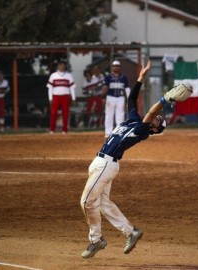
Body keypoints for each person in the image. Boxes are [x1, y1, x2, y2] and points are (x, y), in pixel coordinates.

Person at [80, 61, 167, 259]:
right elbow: (132, 99)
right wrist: (141, 77)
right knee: (102, 204)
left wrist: (164, 99)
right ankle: (131, 232)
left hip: (107, 164)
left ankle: (96, 240)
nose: (156, 118)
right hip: (99, 162)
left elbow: (152, 112)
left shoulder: (143, 130)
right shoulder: (133, 120)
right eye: (158, 117)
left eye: (159, 121)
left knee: (86, 201)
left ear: (155, 129)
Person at [102, 60, 130, 137]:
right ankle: (108, 132)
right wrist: (103, 97)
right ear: (112, 67)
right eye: (114, 66)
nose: (116, 67)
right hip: (110, 97)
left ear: (119, 67)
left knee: (120, 115)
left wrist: (129, 99)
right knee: (109, 115)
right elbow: (104, 88)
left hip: (120, 98)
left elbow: (127, 88)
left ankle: (119, 131)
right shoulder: (108, 77)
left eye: (117, 66)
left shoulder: (124, 77)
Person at [47, 60, 76, 134]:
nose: (62, 66)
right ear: (58, 66)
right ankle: (52, 129)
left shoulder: (68, 76)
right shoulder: (53, 75)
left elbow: (72, 88)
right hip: (56, 96)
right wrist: (50, 98)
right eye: (60, 65)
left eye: (63, 65)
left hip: (65, 96)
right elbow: (50, 88)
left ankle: (65, 129)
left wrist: (73, 98)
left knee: (65, 113)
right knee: (53, 113)